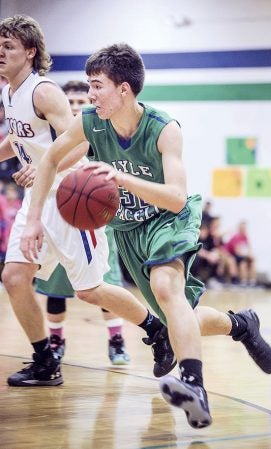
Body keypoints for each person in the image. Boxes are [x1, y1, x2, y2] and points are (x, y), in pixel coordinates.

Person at [21, 41, 271, 429]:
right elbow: (53, 159)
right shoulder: (90, 122)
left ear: (123, 89)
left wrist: (120, 178)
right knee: (179, 317)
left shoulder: (164, 129)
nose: (89, 94)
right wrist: (35, 217)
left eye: (96, 85)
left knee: (164, 285)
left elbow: (175, 199)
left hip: (169, 219)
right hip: (128, 227)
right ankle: (241, 324)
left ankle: (193, 382)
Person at [0, 15, 175, 388]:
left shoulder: (42, 91)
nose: (0, 53)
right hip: (38, 195)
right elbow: (17, 139)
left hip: (69, 195)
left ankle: (156, 329)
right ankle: (45, 361)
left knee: (89, 289)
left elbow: (79, 143)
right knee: (15, 277)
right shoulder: (8, 92)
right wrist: (29, 164)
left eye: (8, 47)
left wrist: (44, 166)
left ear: (30, 52)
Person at [34, 80, 130, 365]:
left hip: (95, 220)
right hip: (58, 216)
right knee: (54, 288)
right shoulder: (53, 144)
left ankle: (116, 338)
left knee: (102, 284)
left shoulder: (104, 134)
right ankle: (56, 339)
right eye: (70, 102)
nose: (76, 107)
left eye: (80, 102)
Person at [224, 220, 257, 287]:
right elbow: (237, 252)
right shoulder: (236, 237)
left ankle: (252, 282)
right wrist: (248, 255)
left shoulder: (245, 236)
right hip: (232, 255)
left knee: (252, 261)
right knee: (243, 263)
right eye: (242, 228)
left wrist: (250, 255)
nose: (244, 229)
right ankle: (243, 282)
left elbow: (249, 248)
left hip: (241, 256)